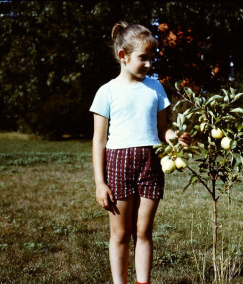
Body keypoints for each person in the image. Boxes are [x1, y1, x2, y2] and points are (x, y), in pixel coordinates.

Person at [90, 21, 191, 284]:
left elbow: (162, 130)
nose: (149, 64)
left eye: (151, 58)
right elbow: (99, 141)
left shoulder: (155, 88)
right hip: (118, 164)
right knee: (121, 233)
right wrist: (100, 183)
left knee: (144, 231)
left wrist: (175, 139)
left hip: (151, 163)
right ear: (123, 56)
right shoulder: (107, 92)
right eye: (142, 58)